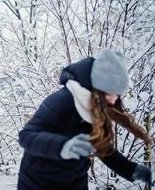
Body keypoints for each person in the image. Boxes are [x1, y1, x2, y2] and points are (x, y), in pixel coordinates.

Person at [17, 49, 153, 190]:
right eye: (111, 93)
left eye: (117, 94)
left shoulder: (96, 108)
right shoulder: (61, 102)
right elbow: (26, 136)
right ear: (98, 89)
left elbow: (104, 150)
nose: (114, 100)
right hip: (37, 183)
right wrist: (64, 146)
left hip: (75, 182)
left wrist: (135, 171)